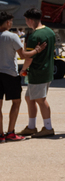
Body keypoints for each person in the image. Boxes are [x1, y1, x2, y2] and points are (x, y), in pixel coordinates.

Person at [0, 11, 45, 141]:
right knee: (16, 102)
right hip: (10, 74)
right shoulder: (12, 37)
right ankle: (10, 132)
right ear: (8, 22)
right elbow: (23, 55)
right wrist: (37, 50)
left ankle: (0, 134)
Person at [21, 7, 57, 138]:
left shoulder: (34, 35)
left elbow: (29, 57)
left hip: (38, 72)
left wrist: (23, 69)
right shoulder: (50, 32)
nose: (26, 23)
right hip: (46, 70)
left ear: (30, 20)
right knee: (29, 98)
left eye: (26, 20)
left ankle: (48, 127)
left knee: (40, 100)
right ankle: (31, 126)